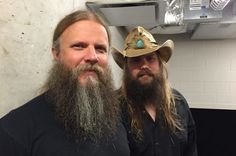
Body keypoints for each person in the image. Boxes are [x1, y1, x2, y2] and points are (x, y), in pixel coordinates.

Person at [0, 10, 130, 156]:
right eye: (79, 46)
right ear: (56, 53)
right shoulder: (15, 129)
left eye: (100, 49)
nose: (92, 57)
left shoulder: (117, 117)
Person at [112, 26, 198, 156]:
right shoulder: (113, 107)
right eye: (136, 60)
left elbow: (190, 151)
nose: (144, 65)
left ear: (159, 63)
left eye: (150, 58)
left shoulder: (178, 103)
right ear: (126, 68)